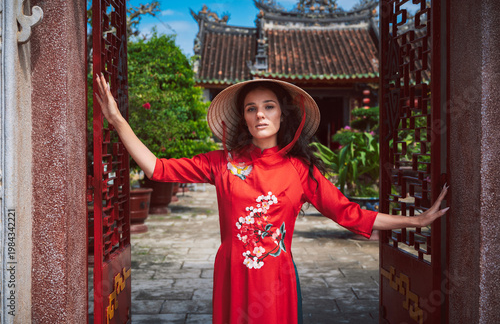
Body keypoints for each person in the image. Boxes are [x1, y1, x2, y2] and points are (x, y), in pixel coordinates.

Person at [95, 74, 449, 324]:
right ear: (243, 118)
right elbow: (157, 169)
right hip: (232, 272)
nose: (260, 114)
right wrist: (116, 119)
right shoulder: (222, 163)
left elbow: (349, 213)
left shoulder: (300, 171)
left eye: (268, 106)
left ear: (283, 115)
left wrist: (415, 221)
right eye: (251, 108)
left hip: (276, 278)